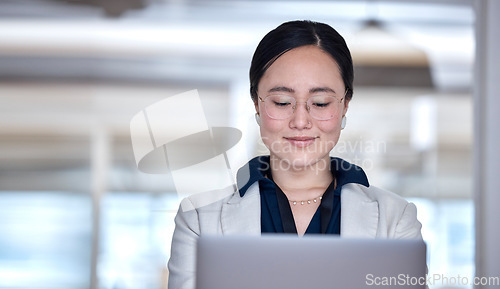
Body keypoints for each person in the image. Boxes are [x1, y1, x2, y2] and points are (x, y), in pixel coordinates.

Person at [167, 20, 423, 289]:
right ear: (256, 103)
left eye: (321, 103)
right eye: (282, 102)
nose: (300, 121)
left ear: (345, 105)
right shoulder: (198, 218)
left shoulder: (395, 220)